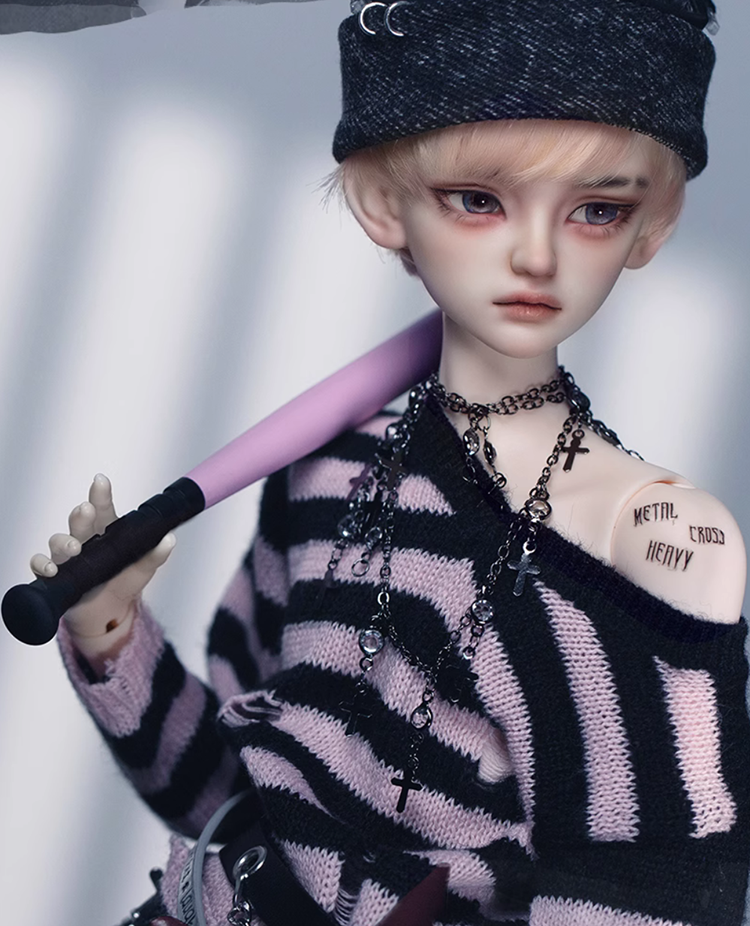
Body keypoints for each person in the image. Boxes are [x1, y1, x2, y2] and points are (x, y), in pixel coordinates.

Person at [28, 0, 750, 924]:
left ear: (651, 226)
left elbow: (653, 894)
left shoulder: (650, 541)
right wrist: (111, 632)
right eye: (478, 200)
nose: (536, 255)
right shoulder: (329, 467)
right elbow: (236, 805)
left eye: (597, 211)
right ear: (382, 202)